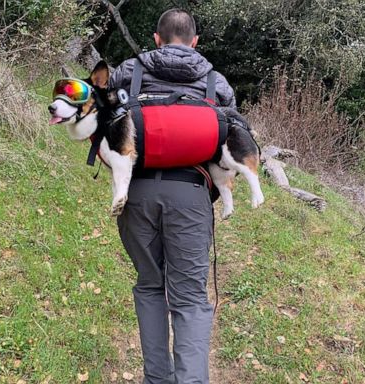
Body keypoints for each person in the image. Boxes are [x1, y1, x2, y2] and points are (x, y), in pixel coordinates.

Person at [109, 8, 236, 384]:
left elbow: (108, 125)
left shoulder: (128, 72)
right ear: (195, 42)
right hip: (191, 195)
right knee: (190, 298)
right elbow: (230, 140)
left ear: (156, 39)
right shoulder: (217, 82)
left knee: (150, 285)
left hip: (137, 192)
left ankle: (156, 380)